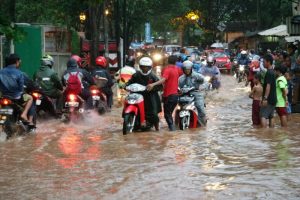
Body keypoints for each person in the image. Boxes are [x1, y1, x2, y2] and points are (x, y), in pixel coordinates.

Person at [147, 55, 183, 131]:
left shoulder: (167, 70)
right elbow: (183, 76)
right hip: (175, 96)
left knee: (167, 114)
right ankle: (173, 127)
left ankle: (172, 130)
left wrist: (153, 84)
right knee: (169, 113)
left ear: (167, 61)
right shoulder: (178, 69)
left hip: (169, 96)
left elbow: (163, 79)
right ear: (175, 62)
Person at [127, 56, 162, 131]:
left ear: (150, 67)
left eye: (147, 67)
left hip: (150, 97)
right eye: (143, 67)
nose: (145, 69)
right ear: (140, 67)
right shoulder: (136, 75)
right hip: (138, 95)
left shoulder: (153, 76)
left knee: (153, 113)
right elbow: (130, 82)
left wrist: (152, 88)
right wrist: (125, 85)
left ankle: (157, 127)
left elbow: (160, 86)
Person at [0, 54, 34, 126]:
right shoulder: (19, 73)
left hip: (4, 96)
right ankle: (25, 116)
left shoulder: (1, 71)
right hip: (16, 97)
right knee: (30, 98)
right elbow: (20, 89)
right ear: (16, 62)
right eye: (19, 61)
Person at [178, 60, 207, 126]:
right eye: (185, 69)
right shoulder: (181, 78)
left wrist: (201, 86)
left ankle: (202, 123)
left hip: (196, 93)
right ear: (183, 69)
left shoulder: (197, 76)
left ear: (191, 69)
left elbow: (205, 82)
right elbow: (178, 86)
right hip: (184, 95)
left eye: (188, 69)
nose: (187, 71)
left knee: (200, 106)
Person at [260, 54, 277, 128]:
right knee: (271, 116)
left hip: (269, 99)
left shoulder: (269, 73)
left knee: (263, 116)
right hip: (273, 98)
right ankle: (271, 133)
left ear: (268, 62)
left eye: (264, 62)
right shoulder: (272, 72)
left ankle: (264, 133)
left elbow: (268, 86)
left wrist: (265, 98)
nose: (263, 63)